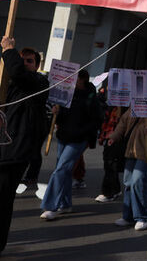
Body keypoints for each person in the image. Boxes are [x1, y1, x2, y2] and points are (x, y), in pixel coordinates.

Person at [0, 38, 48, 253]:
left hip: (14, 153)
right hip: (4, 147)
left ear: (36, 65)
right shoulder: (9, 85)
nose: (25, 63)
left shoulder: (38, 82)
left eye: (29, 61)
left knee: (2, 200)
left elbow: (19, 74)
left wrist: (9, 50)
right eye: (22, 60)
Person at [40, 69, 102, 220]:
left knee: (61, 169)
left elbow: (97, 120)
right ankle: (65, 204)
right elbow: (62, 118)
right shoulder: (67, 95)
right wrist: (57, 112)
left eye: (75, 79)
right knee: (64, 171)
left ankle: (50, 206)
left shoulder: (91, 98)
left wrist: (82, 133)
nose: (72, 82)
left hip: (78, 140)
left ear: (83, 80)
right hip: (64, 137)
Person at [110, 104, 147, 231]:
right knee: (128, 181)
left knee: (138, 180)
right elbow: (123, 123)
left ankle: (142, 216)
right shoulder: (136, 104)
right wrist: (114, 136)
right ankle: (128, 216)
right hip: (132, 149)